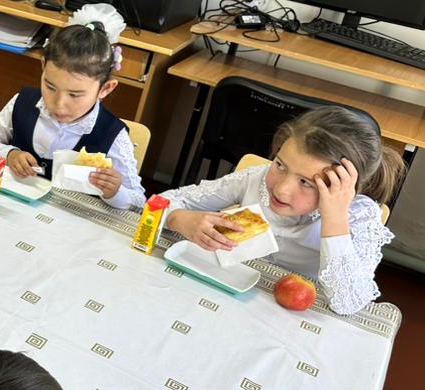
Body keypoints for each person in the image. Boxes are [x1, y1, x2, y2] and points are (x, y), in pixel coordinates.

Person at [161, 105, 403, 314]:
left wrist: (335, 217)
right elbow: (161, 201)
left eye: (306, 182)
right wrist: (178, 218)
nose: (281, 189)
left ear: (343, 188)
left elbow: (347, 303)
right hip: (226, 294)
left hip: (291, 319)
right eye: (280, 164)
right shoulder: (255, 180)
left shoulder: (358, 217)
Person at [0, 5, 144, 211]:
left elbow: (138, 202)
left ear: (105, 89)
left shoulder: (112, 135)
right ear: (43, 67)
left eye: (75, 95)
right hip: (10, 207)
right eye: (50, 86)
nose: (59, 103)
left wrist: (114, 191)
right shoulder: (24, 102)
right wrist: (9, 155)